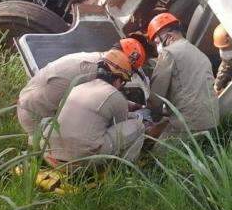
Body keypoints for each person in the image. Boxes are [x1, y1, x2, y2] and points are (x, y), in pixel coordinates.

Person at [17, 37, 147, 143]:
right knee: (107, 126)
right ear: (124, 60)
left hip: (29, 107)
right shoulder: (98, 73)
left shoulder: (94, 59)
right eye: (130, 70)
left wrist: (128, 104)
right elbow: (108, 108)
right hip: (40, 122)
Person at [43, 49, 148, 165]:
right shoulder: (115, 95)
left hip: (49, 155)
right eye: (122, 81)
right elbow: (118, 126)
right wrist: (135, 116)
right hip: (82, 160)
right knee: (138, 126)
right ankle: (125, 169)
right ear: (118, 78)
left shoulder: (77, 87)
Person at [146, 12, 219, 136]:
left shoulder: (169, 53)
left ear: (169, 37)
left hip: (189, 126)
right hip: (212, 122)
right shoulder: (200, 54)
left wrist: (152, 114)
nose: (158, 47)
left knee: (154, 151)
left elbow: (157, 96)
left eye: (158, 42)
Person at [212, 24, 232, 96]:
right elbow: (224, 67)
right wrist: (216, 86)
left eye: (224, 48)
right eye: (220, 49)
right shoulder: (230, 55)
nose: (222, 51)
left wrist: (226, 90)